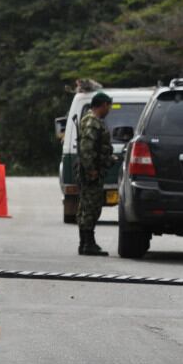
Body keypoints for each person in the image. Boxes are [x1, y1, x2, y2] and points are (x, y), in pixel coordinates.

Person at [77, 91, 115, 256]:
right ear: (103, 105)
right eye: (108, 106)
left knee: (87, 206)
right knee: (91, 207)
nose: (109, 110)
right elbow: (87, 147)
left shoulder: (90, 120)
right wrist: (91, 169)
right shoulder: (92, 122)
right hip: (91, 172)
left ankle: (86, 242)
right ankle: (87, 243)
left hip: (93, 170)